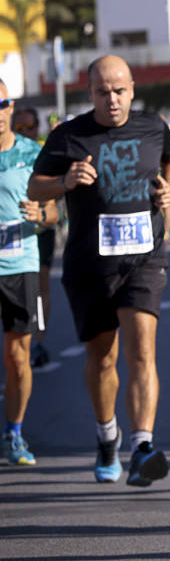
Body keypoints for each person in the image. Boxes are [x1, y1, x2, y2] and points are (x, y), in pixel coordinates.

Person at [29, 54, 170, 486]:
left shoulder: (153, 126)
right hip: (89, 265)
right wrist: (63, 182)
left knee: (142, 352)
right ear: (90, 93)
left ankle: (141, 445)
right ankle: (106, 436)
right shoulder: (69, 135)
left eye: (119, 91)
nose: (112, 99)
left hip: (144, 259)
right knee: (103, 360)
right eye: (102, 92)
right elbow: (34, 185)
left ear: (132, 89)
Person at [1, 88, 58, 466]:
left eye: (2, 103)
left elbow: (53, 212)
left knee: (17, 357)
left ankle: (15, 432)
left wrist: (41, 216)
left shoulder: (31, 153)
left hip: (20, 266)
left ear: (11, 107)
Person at [12, 107, 55, 370]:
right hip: (11, 235)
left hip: (39, 232)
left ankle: (38, 340)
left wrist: (41, 213)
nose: (27, 133)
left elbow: (52, 208)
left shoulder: (43, 153)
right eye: (21, 129)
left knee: (40, 289)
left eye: (30, 128)